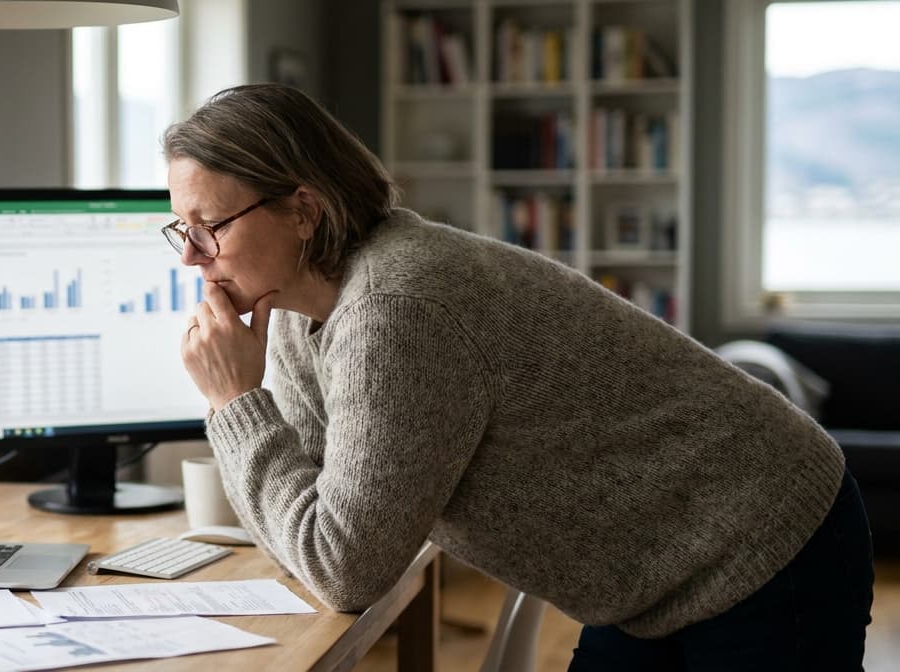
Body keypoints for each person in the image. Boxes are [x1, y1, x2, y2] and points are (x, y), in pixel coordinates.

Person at [163, 83, 872, 671]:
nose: (192, 258)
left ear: (303, 210)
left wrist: (235, 401)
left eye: (209, 226)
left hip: (763, 538)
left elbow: (345, 569)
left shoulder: (396, 310)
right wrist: (249, 407)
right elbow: (322, 508)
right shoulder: (297, 308)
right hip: (648, 577)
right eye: (180, 229)